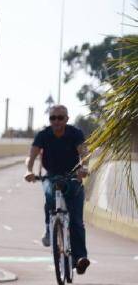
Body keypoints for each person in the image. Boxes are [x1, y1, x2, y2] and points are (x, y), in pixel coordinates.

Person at [25, 105, 90, 273]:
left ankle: (80, 258)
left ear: (67, 119)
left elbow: (84, 153)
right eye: (53, 118)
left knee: (76, 220)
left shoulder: (75, 133)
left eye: (60, 118)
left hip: (72, 176)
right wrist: (29, 171)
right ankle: (49, 229)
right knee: (49, 194)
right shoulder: (43, 135)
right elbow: (31, 156)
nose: (56, 121)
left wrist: (84, 168)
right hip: (51, 175)